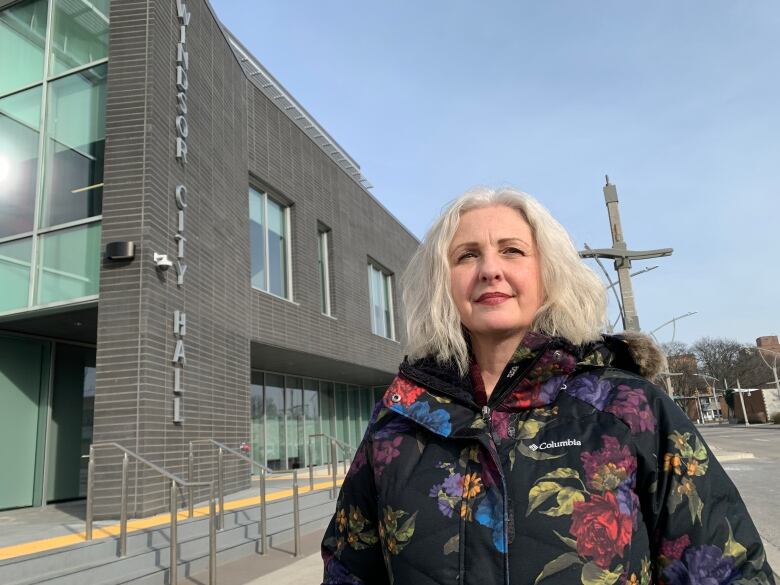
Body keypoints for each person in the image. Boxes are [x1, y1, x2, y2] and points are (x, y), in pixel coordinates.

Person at [321, 187, 775, 585]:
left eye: (512, 251)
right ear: (444, 283)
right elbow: (350, 568)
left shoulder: (629, 408)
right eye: (467, 255)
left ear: (548, 273)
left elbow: (725, 565)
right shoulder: (397, 421)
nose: (489, 270)